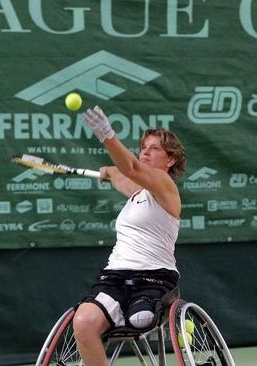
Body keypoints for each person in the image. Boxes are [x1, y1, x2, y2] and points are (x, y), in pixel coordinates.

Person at [73, 106, 186, 366]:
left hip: (154, 277)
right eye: (143, 146)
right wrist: (111, 171)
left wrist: (106, 133)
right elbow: (124, 176)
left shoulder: (165, 186)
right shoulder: (137, 193)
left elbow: (132, 168)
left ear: (170, 161)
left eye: (154, 148)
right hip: (115, 276)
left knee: (141, 319)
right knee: (83, 322)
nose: (145, 151)